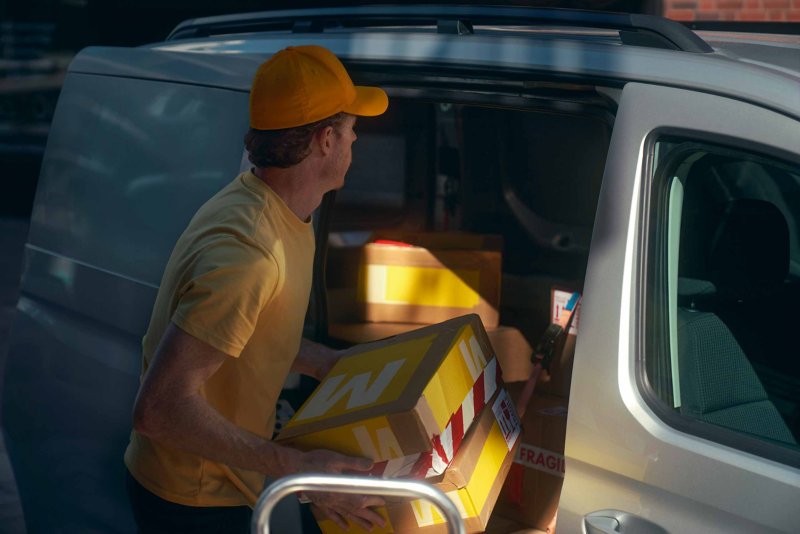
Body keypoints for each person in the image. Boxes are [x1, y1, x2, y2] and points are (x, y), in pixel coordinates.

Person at [123, 45, 389, 534]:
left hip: (215, 486)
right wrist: (299, 469)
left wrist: (327, 365)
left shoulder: (276, 206)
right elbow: (158, 410)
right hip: (192, 499)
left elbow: (246, 332)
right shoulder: (248, 251)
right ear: (327, 140)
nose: (356, 142)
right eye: (352, 130)